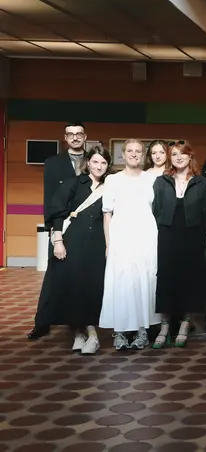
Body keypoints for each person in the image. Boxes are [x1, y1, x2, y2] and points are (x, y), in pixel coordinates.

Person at [43, 145, 112, 355]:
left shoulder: (111, 186)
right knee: (73, 287)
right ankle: (90, 334)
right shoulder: (73, 183)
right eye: (95, 162)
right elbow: (57, 212)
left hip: (97, 244)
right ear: (88, 163)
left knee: (93, 287)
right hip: (73, 241)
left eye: (103, 163)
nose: (99, 166)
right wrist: (58, 241)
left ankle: (83, 333)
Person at [151, 142, 206, 349]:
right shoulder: (161, 182)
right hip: (167, 236)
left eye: (183, 154)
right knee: (166, 279)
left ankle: (185, 324)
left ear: (190, 156)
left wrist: (198, 230)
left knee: (189, 279)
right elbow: (155, 208)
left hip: (193, 237)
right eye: (174, 154)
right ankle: (164, 327)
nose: (179, 157)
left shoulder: (203, 184)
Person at [29, 121, 87, 341]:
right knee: (54, 275)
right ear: (65, 138)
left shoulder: (94, 160)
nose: (75, 137)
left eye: (79, 134)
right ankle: (42, 323)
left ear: (85, 137)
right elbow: (50, 198)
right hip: (61, 224)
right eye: (70, 134)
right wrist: (53, 230)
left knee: (81, 276)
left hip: (87, 225)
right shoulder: (53, 163)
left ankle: (77, 320)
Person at [99, 140, 160, 350]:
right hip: (121, 238)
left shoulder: (152, 179)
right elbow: (107, 213)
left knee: (144, 281)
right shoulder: (112, 180)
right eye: (130, 151)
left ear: (143, 155)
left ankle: (142, 330)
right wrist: (108, 243)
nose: (134, 154)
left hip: (146, 237)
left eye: (138, 151)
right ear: (123, 155)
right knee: (122, 282)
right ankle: (120, 331)